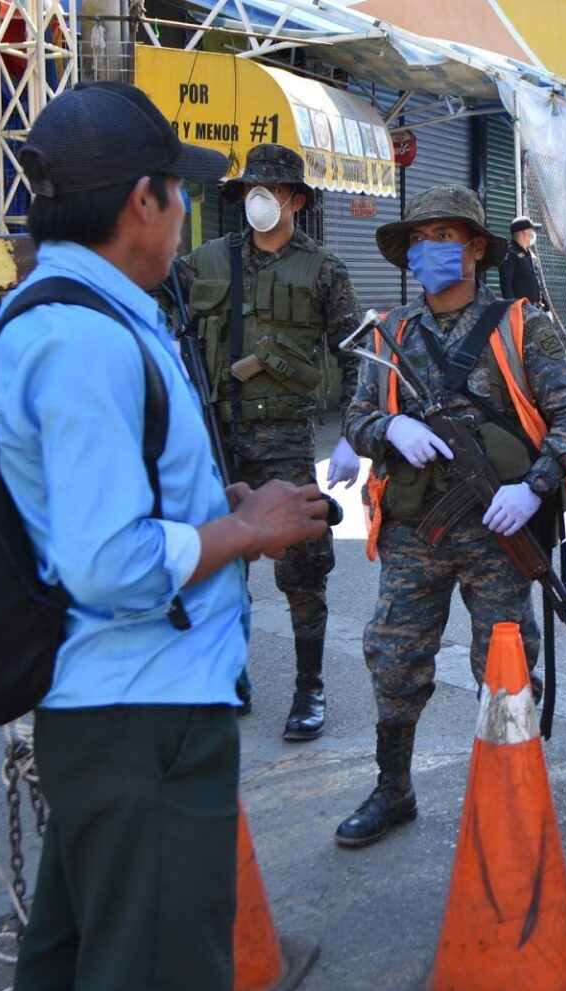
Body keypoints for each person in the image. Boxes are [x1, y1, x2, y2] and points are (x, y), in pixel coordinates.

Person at [0, 82, 330, 991]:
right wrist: (247, 532)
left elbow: (108, 497)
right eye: (178, 189)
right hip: (140, 714)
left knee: (79, 979)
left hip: (120, 709)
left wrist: (223, 501)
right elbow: (108, 558)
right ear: (144, 199)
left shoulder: (100, 314)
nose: (189, 211)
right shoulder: (85, 338)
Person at [337, 185, 566, 848]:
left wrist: (536, 486)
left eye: (444, 238)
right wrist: (388, 425)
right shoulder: (389, 333)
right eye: (419, 241)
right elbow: (357, 420)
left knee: (505, 664)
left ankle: (513, 789)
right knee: (393, 657)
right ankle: (392, 788)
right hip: (414, 530)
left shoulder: (521, 324)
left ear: (477, 248)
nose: (429, 251)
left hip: (499, 530)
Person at [178, 144, 363, 741]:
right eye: (251, 188)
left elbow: (357, 354)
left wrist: (354, 435)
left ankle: (310, 687)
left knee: (304, 562)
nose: (259, 198)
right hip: (214, 433)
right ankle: (229, 672)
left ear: (295, 200)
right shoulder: (205, 261)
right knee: (217, 556)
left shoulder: (325, 269)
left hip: (284, 437)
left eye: (271, 189)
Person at [499, 215, 547, 309]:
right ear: (525, 232)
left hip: (536, 308)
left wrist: (547, 307)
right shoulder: (510, 253)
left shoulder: (529, 254)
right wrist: (513, 309)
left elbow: (537, 282)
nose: (533, 234)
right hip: (522, 310)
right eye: (532, 231)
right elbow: (506, 285)